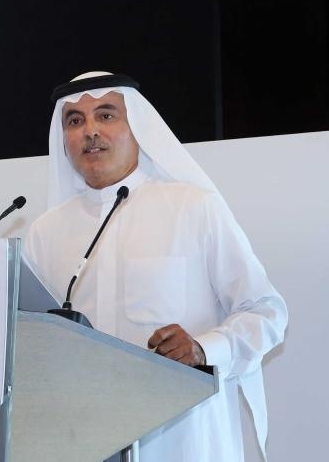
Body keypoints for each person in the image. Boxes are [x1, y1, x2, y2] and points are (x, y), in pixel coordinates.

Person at [24, 71, 287, 461]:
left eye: (106, 115)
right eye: (75, 121)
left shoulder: (193, 208)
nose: (90, 131)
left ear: (137, 127)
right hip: (81, 439)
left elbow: (266, 312)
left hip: (181, 441)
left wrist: (203, 349)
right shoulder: (45, 232)